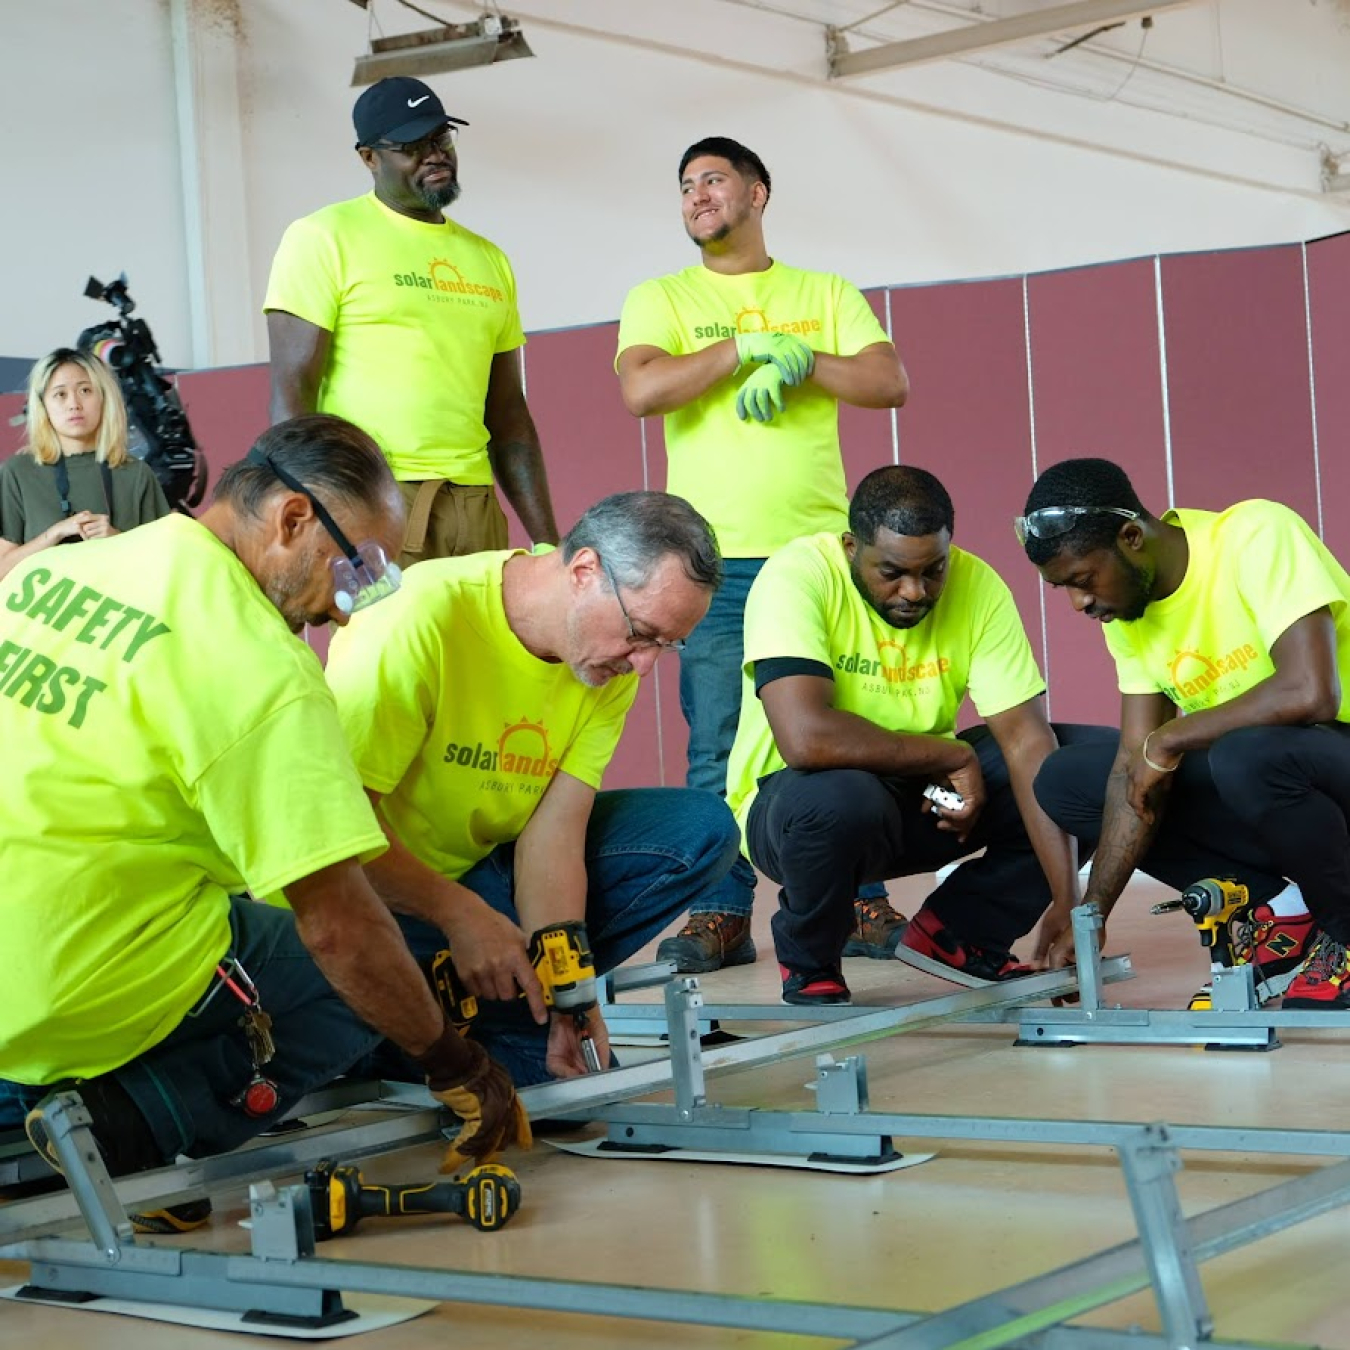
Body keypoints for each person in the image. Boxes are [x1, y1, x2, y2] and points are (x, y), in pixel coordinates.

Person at [0, 414, 528, 1215]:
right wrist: (458, 1066)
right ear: (291, 520)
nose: (348, 612)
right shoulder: (262, 671)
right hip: (56, 988)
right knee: (354, 982)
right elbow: (339, 927)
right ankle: (131, 1128)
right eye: (356, 570)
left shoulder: (60, 571)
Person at [323, 491, 742, 1084]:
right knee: (527, 1079)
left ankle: (469, 1006)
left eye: (666, 645)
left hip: (483, 876)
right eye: (642, 633)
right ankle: (398, 1023)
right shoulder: (416, 620)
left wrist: (572, 989)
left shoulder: (603, 662)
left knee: (701, 830)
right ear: (584, 571)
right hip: (367, 894)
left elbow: (555, 834)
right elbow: (333, 832)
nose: (645, 666)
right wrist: (458, 915)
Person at [616, 136, 910, 974]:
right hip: (712, 564)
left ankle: (860, 897)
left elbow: (888, 381)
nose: (697, 195)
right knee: (717, 740)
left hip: (821, 554)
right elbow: (643, 388)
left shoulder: (823, 292)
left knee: (856, 724)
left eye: (713, 179)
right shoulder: (662, 296)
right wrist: (743, 349)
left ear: (758, 192)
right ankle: (718, 911)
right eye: (684, 186)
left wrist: (804, 357)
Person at [724, 465, 1087, 1005]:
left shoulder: (978, 584)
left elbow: (1026, 744)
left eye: (932, 571)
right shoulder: (796, 575)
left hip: (923, 797)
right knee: (842, 796)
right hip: (798, 808)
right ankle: (811, 958)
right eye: (891, 572)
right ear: (852, 547)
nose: (915, 592)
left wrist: (1067, 900)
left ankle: (961, 933)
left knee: (1083, 767)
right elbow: (805, 738)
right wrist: (949, 754)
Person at [1019, 457, 1343, 1008]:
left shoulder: (1256, 534)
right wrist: (1091, 914)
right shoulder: (1130, 615)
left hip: (1327, 758)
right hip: (1267, 784)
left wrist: (1169, 739)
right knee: (1070, 780)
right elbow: (1132, 767)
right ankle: (1285, 918)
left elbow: (1310, 691)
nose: (1080, 603)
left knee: (1245, 754)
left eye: (1082, 580)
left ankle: (1347, 931)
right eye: (1063, 590)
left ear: (1131, 537)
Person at [264, 76, 559, 567]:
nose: (434, 154)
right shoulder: (322, 237)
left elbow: (509, 413)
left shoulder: (490, 259)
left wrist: (549, 542)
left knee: (489, 647)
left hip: (475, 501)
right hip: (375, 500)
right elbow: (292, 391)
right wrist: (323, 519)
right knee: (389, 646)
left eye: (441, 138)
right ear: (369, 157)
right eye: (412, 146)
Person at [0, 347, 170, 580]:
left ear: (104, 398)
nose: (74, 404)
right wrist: (54, 534)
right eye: (60, 394)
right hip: (41, 616)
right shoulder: (17, 472)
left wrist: (115, 541)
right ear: (43, 405)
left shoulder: (135, 473)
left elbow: (165, 570)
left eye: (85, 390)